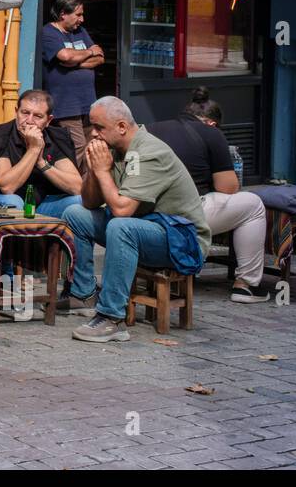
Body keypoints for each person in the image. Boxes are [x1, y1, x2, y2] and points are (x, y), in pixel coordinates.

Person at [63, 96, 211, 343]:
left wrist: (102, 172)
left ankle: (112, 318)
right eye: (92, 127)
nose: (93, 135)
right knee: (75, 214)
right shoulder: (113, 148)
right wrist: (93, 170)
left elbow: (122, 210)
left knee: (121, 226)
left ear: (121, 126)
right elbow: (89, 202)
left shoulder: (149, 152)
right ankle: (84, 294)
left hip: (182, 241)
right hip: (147, 227)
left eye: (99, 128)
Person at [148, 87, 269, 304]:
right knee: (253, 205)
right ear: (212, 123)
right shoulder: (212, 133)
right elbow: (228, 187)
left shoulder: (152, 128)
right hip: (184, 215)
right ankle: (247, 285)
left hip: (149, 211)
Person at [0, 89, 82, 218]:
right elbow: (7, 187)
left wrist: (41, 163)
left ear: (48, 120)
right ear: (16, 112)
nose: (29, 121)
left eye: (38, 116)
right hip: (4, 203)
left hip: (42, 205)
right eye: (25, 113)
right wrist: (34, 150)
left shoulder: (56, 138)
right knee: (14, 201)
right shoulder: (0, 136)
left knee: (79, 201)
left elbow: (77, 187)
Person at [40, 0, 103, 166]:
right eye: (78, 14)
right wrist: (89, 52)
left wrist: (73, 64)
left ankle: (86, 188)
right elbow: (65, 56)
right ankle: (71, 186)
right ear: (63, 14)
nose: (82, 19)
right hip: (66, 104)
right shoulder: (49, 33)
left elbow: (100, 57)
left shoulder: (80, 32)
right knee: (77, 146)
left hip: (87, 103)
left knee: (91, 145)